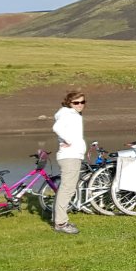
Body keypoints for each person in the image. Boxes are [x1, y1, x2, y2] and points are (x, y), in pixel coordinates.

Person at [52, 91, 87, 234]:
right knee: (67, 189)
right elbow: (56, 128)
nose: (80, 105)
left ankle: (59, 220)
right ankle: (60, 223)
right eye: (76, 102)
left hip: (72, 155)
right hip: (70, 156)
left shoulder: (70, 114)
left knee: (66, 189)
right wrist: (69, 141)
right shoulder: (69, 114)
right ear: (69, 103)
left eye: (82, 102)